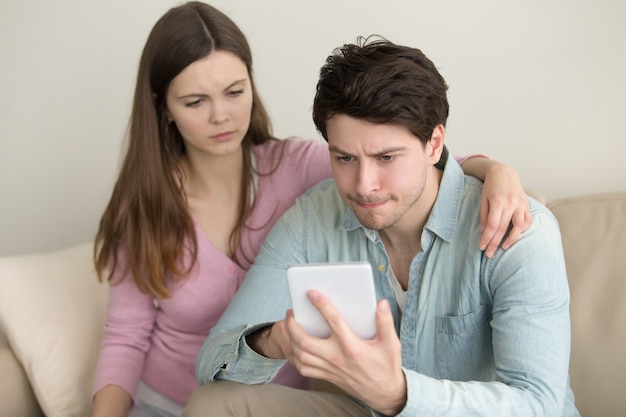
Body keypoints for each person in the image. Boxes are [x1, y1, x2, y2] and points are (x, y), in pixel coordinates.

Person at [91, 2, 531, 416]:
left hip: (265, 404)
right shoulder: (143, 204)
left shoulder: (296, 167)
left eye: (234, 91)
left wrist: (495, 171)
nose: (222, 115)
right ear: (163, 108)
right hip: (163, 402)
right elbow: (125, 337)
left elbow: (402, 162)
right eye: (195, 102)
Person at [186, 36, 580, 417]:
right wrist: (273, 341)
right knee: (215, 406)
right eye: (344, 159)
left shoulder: (520, 230)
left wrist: (398, 396)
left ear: (433, 144)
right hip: (370, 412)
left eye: (387, 157)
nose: (363, 185)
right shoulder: (311, 219)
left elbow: (536, 404)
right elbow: (212, 363)